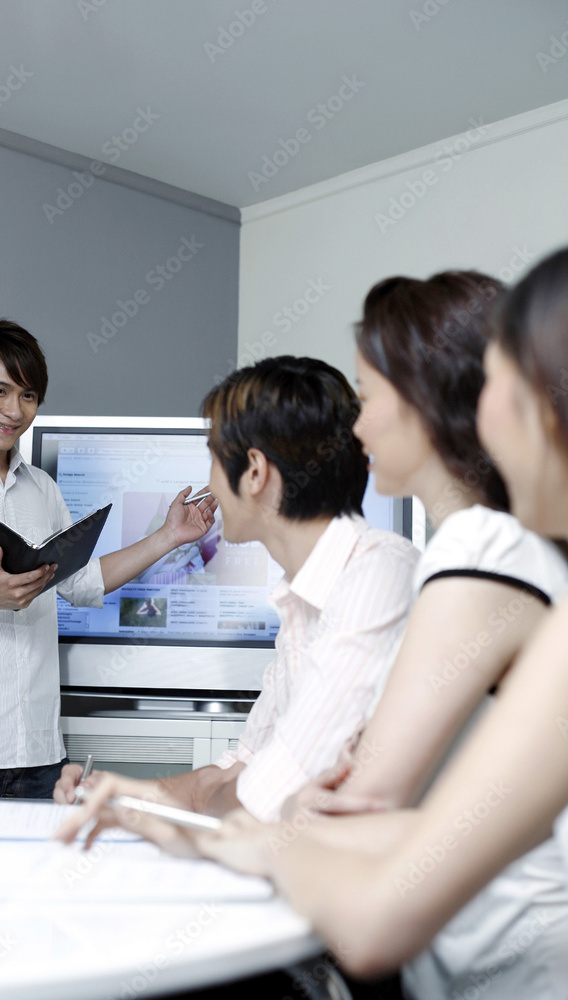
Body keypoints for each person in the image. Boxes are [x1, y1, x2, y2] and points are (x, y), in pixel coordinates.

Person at [121, 250, 568, 995]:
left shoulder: (476, 550)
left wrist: (264, 835)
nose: (355, 425)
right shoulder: (491, 560)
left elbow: (360, 808)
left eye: (367, 394)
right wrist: (271, 818)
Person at [54, 355, 419, 827]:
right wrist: (116, 792)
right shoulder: (298, 602)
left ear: (254, 472)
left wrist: (215, 795)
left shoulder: (377, 576)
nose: (210, 481)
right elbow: (241, 767)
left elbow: (262, 801)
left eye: (212, 458)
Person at [0, 319, 216, 798]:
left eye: (28, 396)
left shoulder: (42, 490)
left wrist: (169, 537)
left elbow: (82, 584)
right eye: (0, 391)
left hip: (37, 753)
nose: (14, 411)